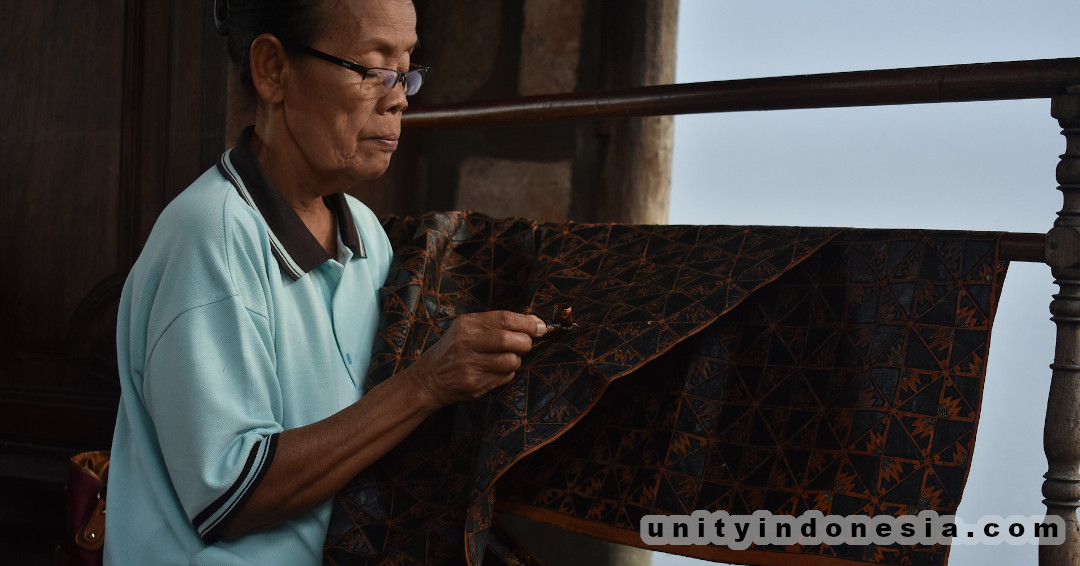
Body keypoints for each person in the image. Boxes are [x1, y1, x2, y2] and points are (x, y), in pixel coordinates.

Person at [102, 0, 546, 564]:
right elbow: (235, 496)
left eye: (406, 69)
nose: (398, 96)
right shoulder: (210, 235)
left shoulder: (364, 232)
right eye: (371, 69)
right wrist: (425, 385)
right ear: (273, 71)